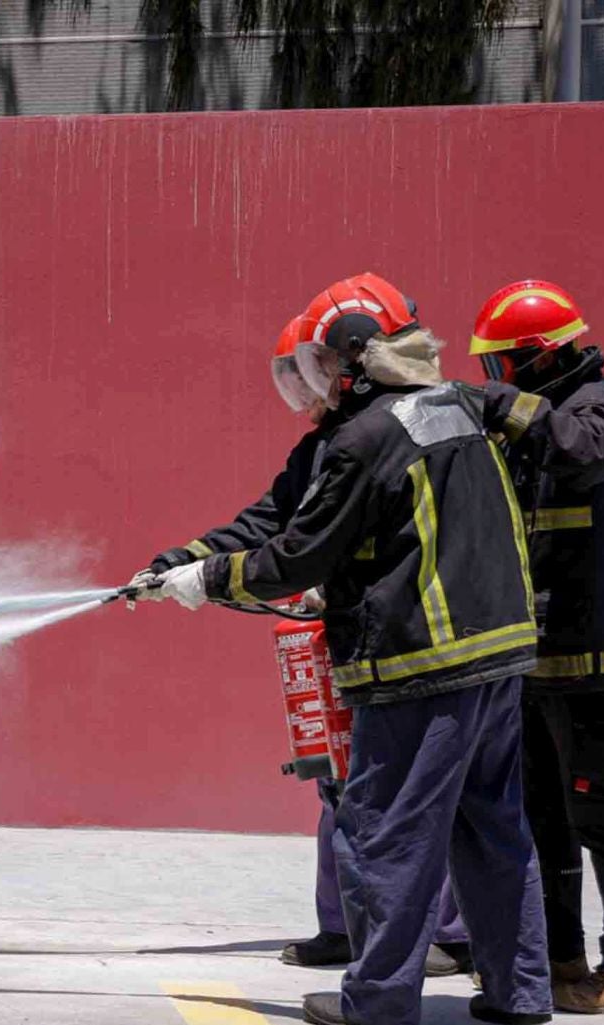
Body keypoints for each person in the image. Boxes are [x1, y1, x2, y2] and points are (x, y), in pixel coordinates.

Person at [133, 272, 552, 1025]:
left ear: (356, 356)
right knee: (493, 829)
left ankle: (382, 997)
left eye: (324, 362)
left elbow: (297, 554)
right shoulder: (456, 407)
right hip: (499, 658)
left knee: (391, 829)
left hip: (419, 665)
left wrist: (209, 579)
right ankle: (520, 990)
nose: (319, 378)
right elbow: (308, 516)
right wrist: (184, 559)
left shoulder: (366, 438)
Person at [146, 316, 474, 979]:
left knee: (407, 793)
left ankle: (446, 935)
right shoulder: (323, 447)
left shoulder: (388, 434)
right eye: (296, 378)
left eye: (311, 374)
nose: (306, 391)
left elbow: (329, 546)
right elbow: (268, 520)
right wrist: (182, 561)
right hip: (345, 637)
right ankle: (346, 926)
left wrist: (216, 580)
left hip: (413, 640)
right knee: (337, 776)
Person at [471, 280, 604, 1014]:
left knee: (603, 815)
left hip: (600, 658)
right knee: (544, 818)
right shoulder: (540, 415)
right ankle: (559, 960)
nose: (496, 377)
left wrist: (502, 406)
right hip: (543, 656)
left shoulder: (597, 408)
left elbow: (584, 453)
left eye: (502, 364)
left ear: (540, 356)